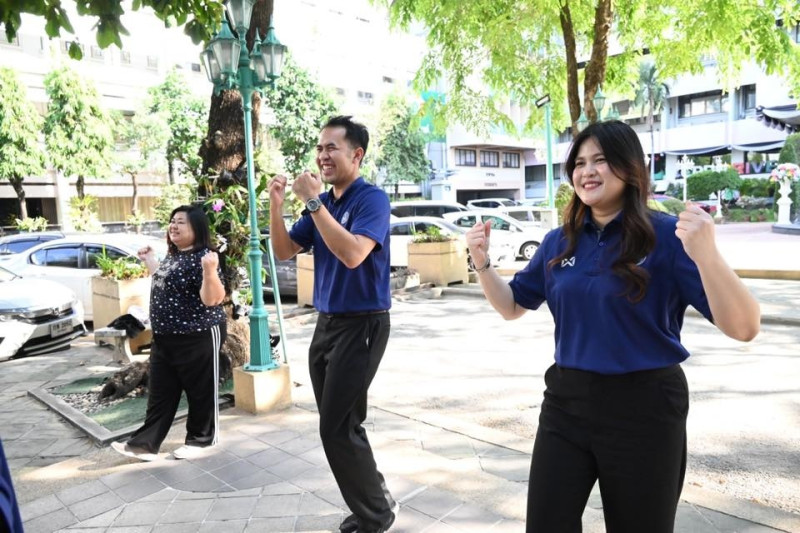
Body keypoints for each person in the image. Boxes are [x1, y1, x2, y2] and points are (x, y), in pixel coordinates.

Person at [466, 120, 761, 532]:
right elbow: (512, 306)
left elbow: (745, 327)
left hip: (646, 406)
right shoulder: (559, 241)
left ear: (629, 166)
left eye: (600, 160)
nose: (587, 171)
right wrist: (482, 263)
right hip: (566, 402)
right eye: (579, 163)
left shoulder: (667, 237)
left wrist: (707, 255)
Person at [268, 116, 397, 533]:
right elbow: (285, 250)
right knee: (339, 424)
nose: (323, 156)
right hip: (326, 323)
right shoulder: (325, 203)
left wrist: (312, 202)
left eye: (332, 148)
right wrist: (276, 205)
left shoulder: (370, 199)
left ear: (356, 155)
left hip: (362, 324)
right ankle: (376, 499)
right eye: (320, 148)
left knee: (337, 427)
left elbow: (354, 254)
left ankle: (375, 515)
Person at [111, 205, 227, 462]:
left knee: (200, 390)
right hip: (165, 337)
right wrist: (150, 260)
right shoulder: (174, 255)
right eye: (172, 221)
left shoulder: (205, 257)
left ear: (197, 227)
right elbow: (166, 281)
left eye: (181, 222)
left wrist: (209, 271)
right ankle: (144, 445)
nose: (173, 226)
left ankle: (201, 440)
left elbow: (213, 299)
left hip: (198, 334)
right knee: (161, 392)